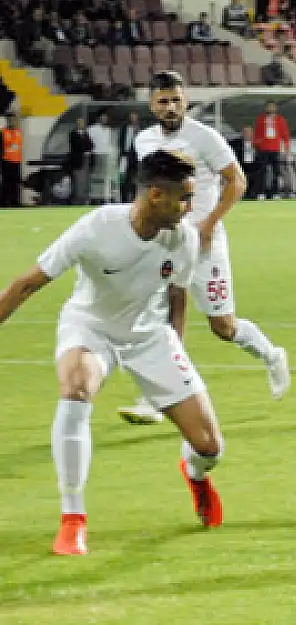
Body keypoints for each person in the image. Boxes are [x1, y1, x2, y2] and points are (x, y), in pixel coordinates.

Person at [0, 150, 225, 556]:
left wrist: (176, 352)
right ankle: (73, 519)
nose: (191, 207)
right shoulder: (97, 227)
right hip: (91, 327)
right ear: (156, 194)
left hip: (150, 337)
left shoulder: (185, 238)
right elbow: (26, 283)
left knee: (210, 446)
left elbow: (177, 296)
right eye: (184, 197)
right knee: (75, 389)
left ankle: (195, 475)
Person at [119, 71, 290, 424]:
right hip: (166, 242)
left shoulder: (203, 137)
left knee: (223, 326)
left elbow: (237, 181)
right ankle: (157, 399)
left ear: (186, 101)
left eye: (176, 100)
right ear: (152, 105)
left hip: (203, 244)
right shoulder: (144, 142)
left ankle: (271, 355)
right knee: (162, 319)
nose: (170, 107)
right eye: (163, 101)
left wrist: (209, 224)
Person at [253, 101, 291, 200]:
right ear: (266, 108)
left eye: (272, 107)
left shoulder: (280, 119)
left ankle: (275, 192)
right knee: (261, 172)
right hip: (263, 149)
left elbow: (285, 135)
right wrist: (256, 146)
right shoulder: (261, 119)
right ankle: (261, 192)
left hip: (275, 149)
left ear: (276, 108)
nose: (270, 108)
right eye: (268, 107)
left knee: (276, 172)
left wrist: (287, 150)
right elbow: (256, 134)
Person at [68, 117, 94, 206]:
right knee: (78, 180)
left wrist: (86, 149)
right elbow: (77, 145)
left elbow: (91, 145)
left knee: (85, 180)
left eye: (82, 123)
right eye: (80, 123)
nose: (81, 125)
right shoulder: (73, 134)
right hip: (77, 161)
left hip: (85, 160)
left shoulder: (86, 134)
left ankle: (85, 198)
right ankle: (77, 198)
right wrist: (85, 148)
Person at [118, 111, 143, 202]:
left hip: (136, 157)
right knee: (123, 177)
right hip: (125, 156)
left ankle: (134, 198)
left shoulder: (141, 129)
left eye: (135, 117)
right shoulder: (124, 128)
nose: (133, 119)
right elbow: (120, 141)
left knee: (135, 178)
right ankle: (123, 198)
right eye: (131, 117)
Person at [1, 112, 23, 207]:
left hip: (16, 161)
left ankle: (15, 202)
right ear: (7, 121)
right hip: (6, 161)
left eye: (13, 120)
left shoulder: (19, 132)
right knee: (6, 183)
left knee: (16, 182)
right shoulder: (3, 132)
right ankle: (4, 202)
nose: (12, 122)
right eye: (9, 120)